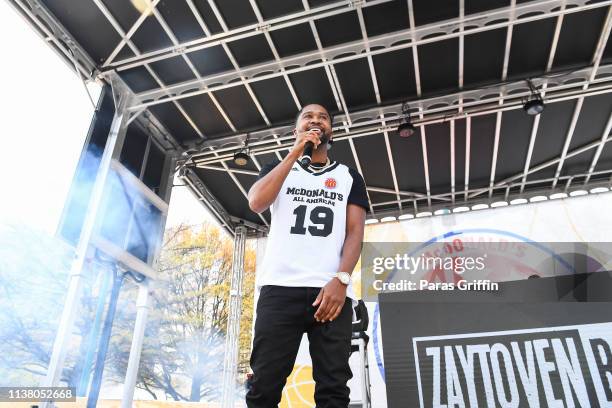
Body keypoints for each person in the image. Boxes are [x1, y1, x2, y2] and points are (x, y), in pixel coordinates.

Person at [246, 103, 368, 407]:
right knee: (264, 384)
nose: (316, 121)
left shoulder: (348, 176)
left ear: (331, 130)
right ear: (296, 130)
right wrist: (294, 153)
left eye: (322, 117)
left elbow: (355, 233)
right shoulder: (278, 168)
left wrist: (341, 280)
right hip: (279, 289)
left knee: (334, 388)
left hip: (330, 291)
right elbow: (256, 203)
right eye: (308, 117)